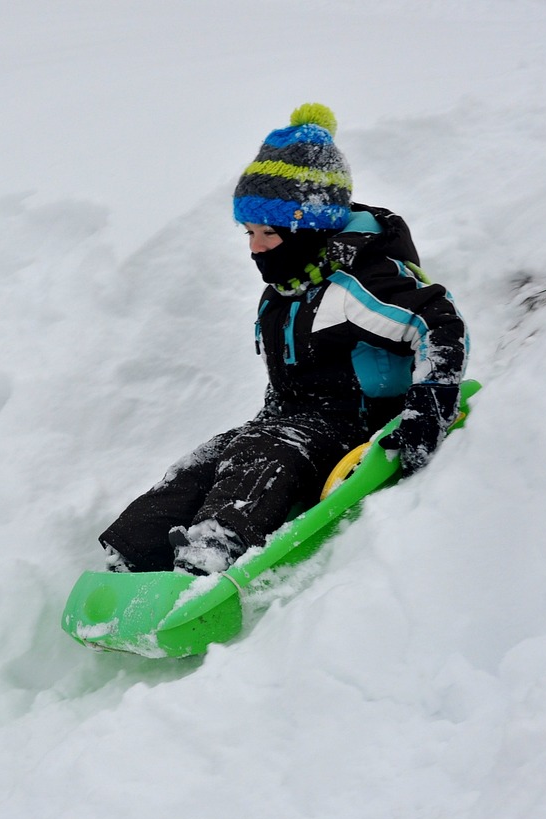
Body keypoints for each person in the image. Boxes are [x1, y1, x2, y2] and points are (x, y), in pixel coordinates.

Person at [99, 103, 468, 575]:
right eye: (248, 232)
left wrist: (429, 407)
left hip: (363, 422)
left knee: (266, 452)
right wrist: (263, 423)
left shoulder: (355, 286)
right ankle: (129, 556)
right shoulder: (284, 291)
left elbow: (439, 325)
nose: (254, 246)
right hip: (294, 420)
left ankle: (209, 556)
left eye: (268, 232)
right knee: (208, 459)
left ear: (307, 228)